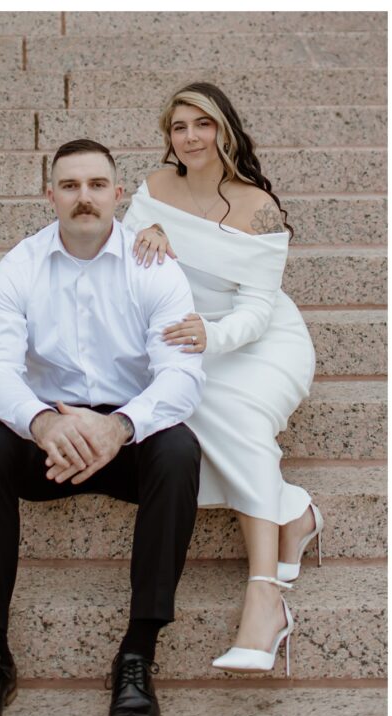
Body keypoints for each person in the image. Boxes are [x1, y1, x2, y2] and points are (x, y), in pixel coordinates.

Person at [0, 139, 206, 716]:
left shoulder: (155, 266)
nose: (83, 197)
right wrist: (42, 423)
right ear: (50, 196)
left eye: (96, 185)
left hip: (127, 439)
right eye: (69, 186)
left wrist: (118, 427)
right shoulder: (19, 266)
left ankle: (137, 656)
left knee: (179, 450)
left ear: (119, 195)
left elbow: (181, 375)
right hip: (51, 437)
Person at [124, 82, 320, 676]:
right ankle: (292, 512)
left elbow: (259, 310)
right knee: (190, 394)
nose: (191, 137)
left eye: (202, 124)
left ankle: (265, 598)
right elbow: (119, 265)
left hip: (258, 342)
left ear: (224, 130)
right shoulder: (154, 191)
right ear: (169, 137)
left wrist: (215, 338)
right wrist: (143, 237)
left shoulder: (257, 205)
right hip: (183, 338)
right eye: (179, 127)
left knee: (229, 409)